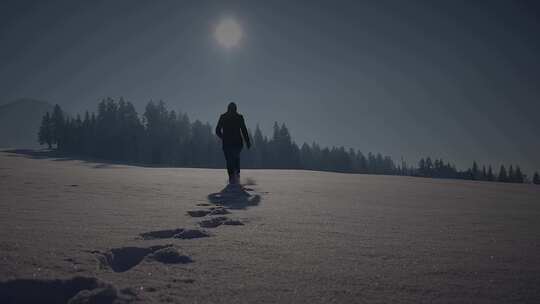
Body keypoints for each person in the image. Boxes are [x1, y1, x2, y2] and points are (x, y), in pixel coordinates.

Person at [215, 102, 251, 184]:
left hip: (231, 143)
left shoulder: (224, 117)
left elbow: (217, 130)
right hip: (235, 143)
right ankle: (235, 177)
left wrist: (223, 137)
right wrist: (247, 141)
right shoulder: (238, 117)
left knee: (230, 160)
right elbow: (244, 130)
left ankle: (233, 178)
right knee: (234, 159)